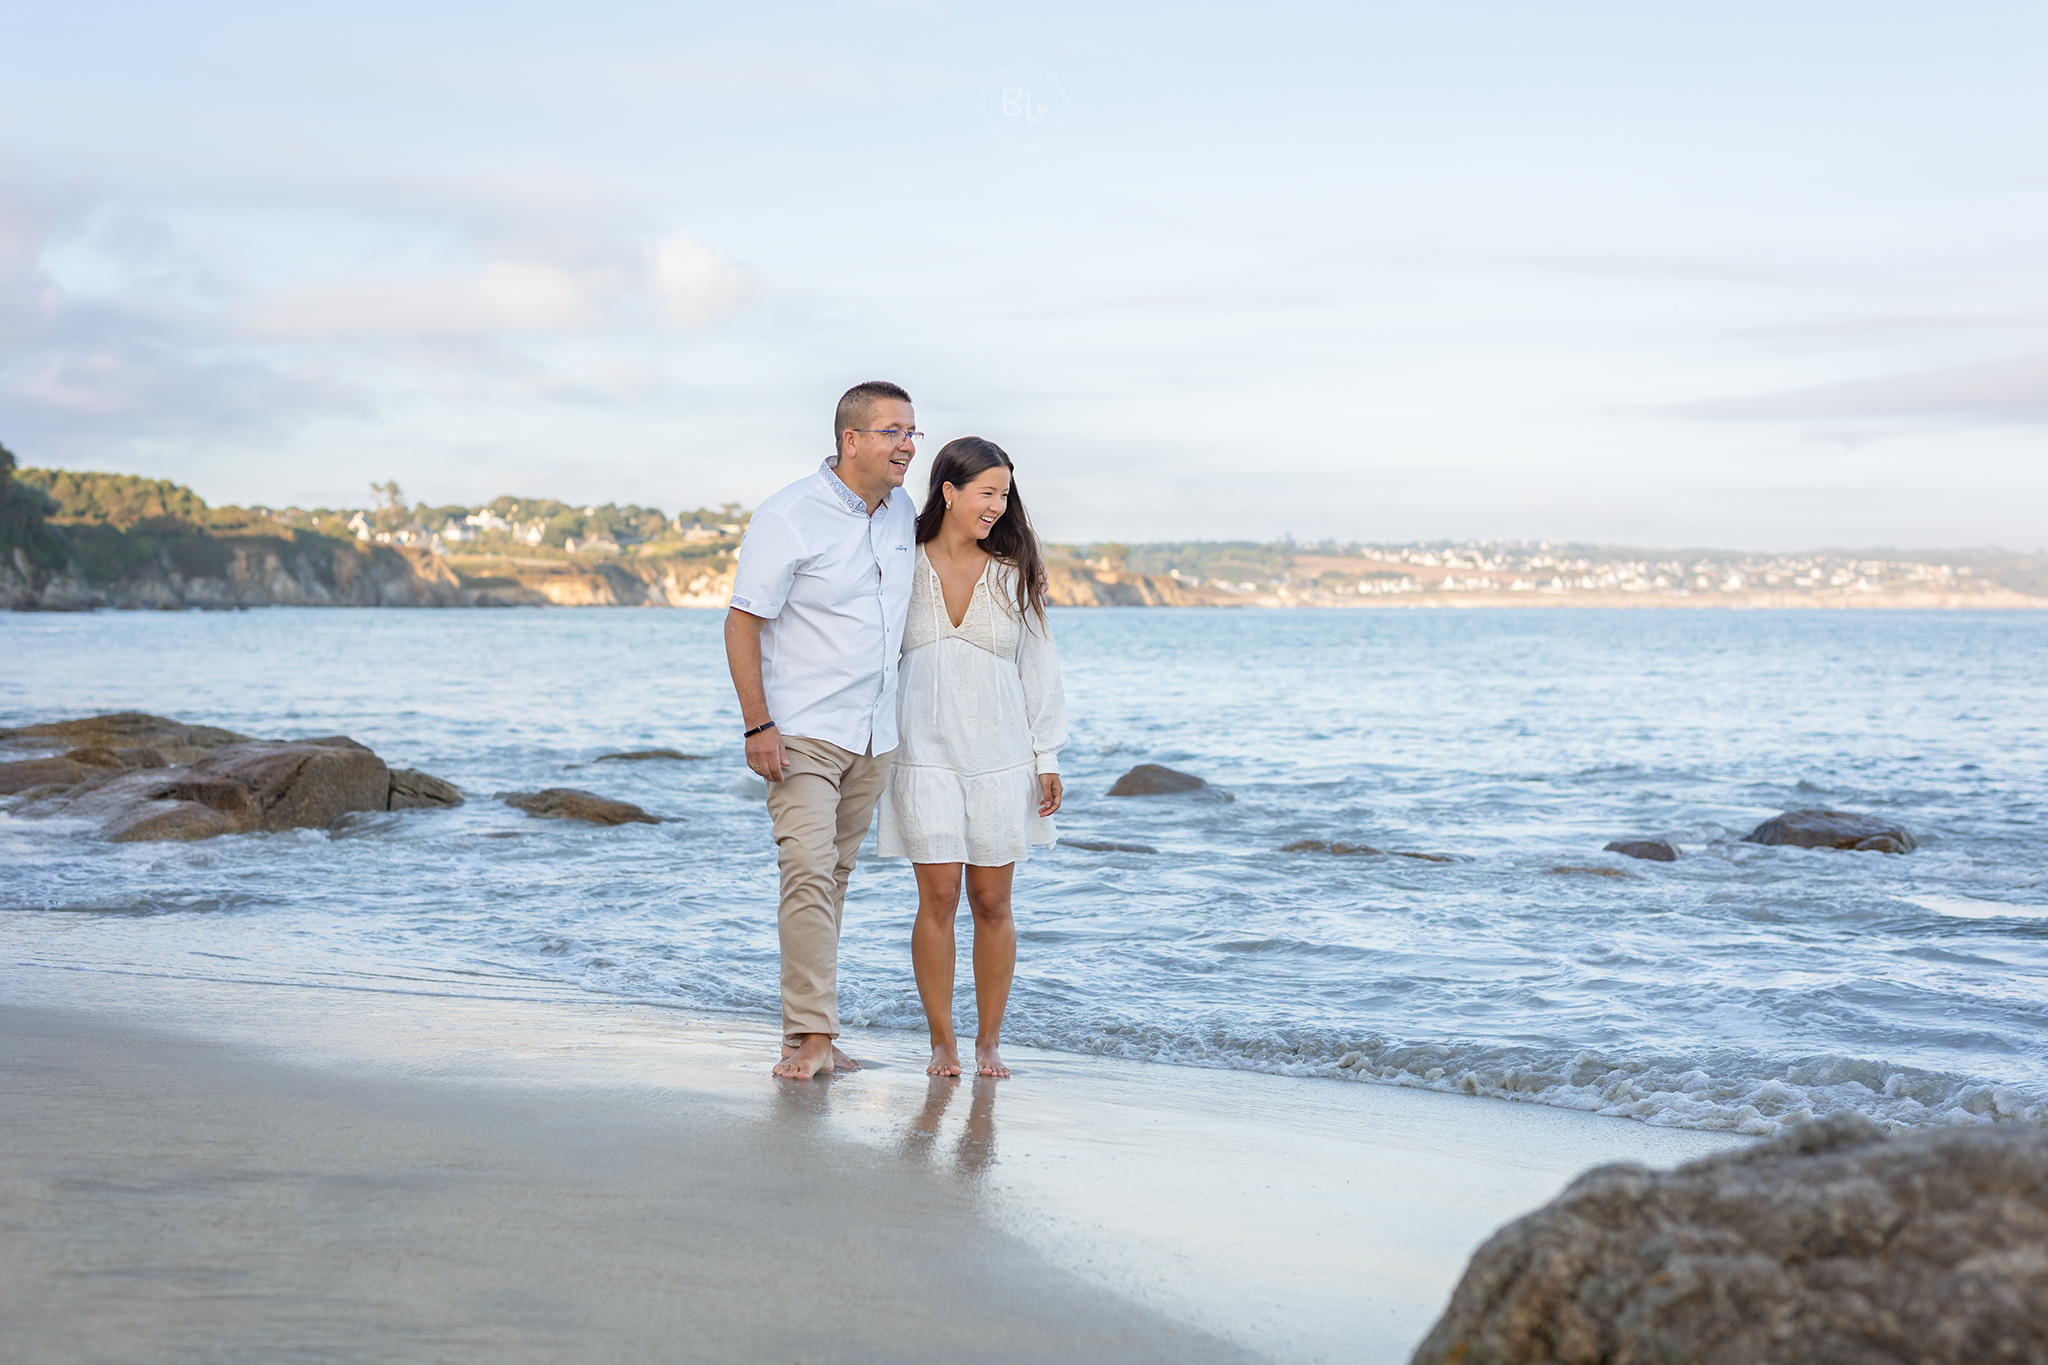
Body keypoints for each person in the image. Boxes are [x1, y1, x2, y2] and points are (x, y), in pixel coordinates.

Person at [725, 381, 920, 1080]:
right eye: (894, 431)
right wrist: (759, 724)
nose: (906, 445)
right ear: (852, 440)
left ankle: (808, 1034)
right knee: (807, 870)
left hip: (874, 735)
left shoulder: (903, 516)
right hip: (802, 729)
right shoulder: (789, 515)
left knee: (832, 879)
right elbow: (742, 620)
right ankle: (811, 1034)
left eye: (911, 433)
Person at [878, 437, 1066, 1079]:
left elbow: (1040, 669)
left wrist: (1048, 754)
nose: (998, 504)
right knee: (937, 897)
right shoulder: (901, 564)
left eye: (1005, 494)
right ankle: (942, 1043)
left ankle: (988, 1043)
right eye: (987, 491)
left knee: (991, 901)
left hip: (1001, 757)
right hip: (922, 755)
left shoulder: (1015, 577)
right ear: (949, 492)